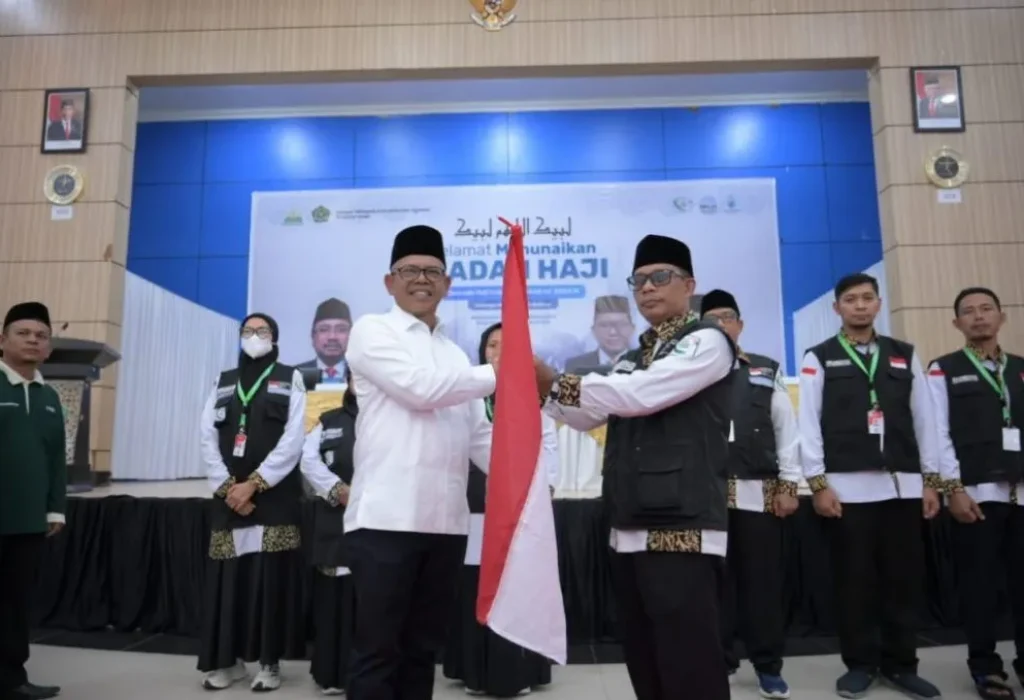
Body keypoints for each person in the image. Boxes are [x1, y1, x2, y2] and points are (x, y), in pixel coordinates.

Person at [539, 234, 736, 700]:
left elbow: (641, 395)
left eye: (660, 277)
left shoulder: (706, 341)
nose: (647, 288)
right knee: (645, 661)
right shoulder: (632, 358)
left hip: (682, 524)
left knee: (689, 665)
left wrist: (555, 381)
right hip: (627, 522)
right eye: (639, 280)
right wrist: (535, 390)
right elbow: (589, 415)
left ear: (689, 285)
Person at [344, 224, 502, 700]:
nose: (421, 279)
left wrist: (528, 480)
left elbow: (479, 435)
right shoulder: (372, 331)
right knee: (377, 653)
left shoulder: (454, 353)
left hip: (446, 524)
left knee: (421, 653)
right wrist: (504, 371)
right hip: (385, 521)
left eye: (432, 271)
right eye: (409, 270)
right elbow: (420, 390)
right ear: (389, 282)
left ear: (447, 284)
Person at [798, 272, 942, 700]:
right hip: (847, 491)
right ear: (837, 308)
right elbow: (809, 424)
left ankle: (902, 665)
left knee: (903, 581)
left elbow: (925, 420)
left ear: (879, 304)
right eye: (850, 299)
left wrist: (931, 481)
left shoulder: (904, 354)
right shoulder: (818, 357)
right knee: (854, 582)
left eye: (866, 298)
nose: (859, 305)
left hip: (903, 487)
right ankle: (859, 664)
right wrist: (818, 483)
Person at [443, 322, 557, 697]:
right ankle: (474, 671)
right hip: (474, 504)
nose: (499, 351)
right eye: (492, 345)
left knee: (518, 585)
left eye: (507, 345)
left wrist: (544, 486)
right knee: (475, 585)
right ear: (482, 352)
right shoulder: (469, 394)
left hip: (521, 507)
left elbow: (548, 444)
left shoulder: (531, 392)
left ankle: (517, 672)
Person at [197, 313, 308, 692]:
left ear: (274, 337)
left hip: (274, 497)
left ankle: (269, 664)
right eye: (248, 331)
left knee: (269, 582)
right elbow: (207, 436)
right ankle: (228, 662)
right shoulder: (223, 380)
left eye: (262, 331)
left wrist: (255, 485)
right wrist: (230, 487)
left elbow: (293, 438)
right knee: (228, 582)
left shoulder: (291, 377)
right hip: (228, 499)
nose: (255, 336)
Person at [926, 287, 1024, 700]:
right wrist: (953, 489)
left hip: (1021, 492)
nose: (978, 316)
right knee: (979, 586)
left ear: (1002, 316)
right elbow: (937, 433)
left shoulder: (1020, 368)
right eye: (968, 311)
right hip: (976, 493)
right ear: (957, 323)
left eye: (986, 309)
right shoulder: (943, 369)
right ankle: (985, 666)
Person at [700, 289, 799, 699]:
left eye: (728, 317)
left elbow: (786, 428)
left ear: (740, 325)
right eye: (711, 320)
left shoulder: (764, 368)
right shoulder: (690, 371)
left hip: (759, 493)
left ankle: (768, 666)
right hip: (706, 495)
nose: (721, 325)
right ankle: (717, 662)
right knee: (712, 586)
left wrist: (789, 484)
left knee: (762, 584)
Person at [0, 302, 65, 700]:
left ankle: (11, 680)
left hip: (28, 521)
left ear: (49, 348)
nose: (32, 341)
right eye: (23, 333)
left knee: (15, 605)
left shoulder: (50, 397)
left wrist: (55, 508)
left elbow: (56, 458)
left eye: (41, 336)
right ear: (2, 340)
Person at [300, 366, 359, 696]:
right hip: (336, 520)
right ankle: (332, 673)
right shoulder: (328, 419)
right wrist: (338, 490)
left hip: (379, 520)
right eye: (355, 376)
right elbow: (309, 461)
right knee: (335, 599)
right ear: (348, 382)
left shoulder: (392, 422)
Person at [564, 295, 635, 372]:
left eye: (621, 324)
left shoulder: (643, 364)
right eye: (604, 325)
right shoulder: (575, 366)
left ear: (632, 329)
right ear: (593, 331)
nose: (613, 332)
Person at [299, 298, 353, 383]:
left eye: (341, 330)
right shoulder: (295, 375)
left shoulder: (364, 376)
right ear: (313, 336)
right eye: (324, 329)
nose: (332, 337)